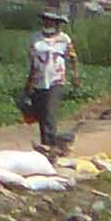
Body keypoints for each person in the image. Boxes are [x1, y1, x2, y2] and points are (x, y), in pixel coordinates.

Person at [21, 15, 76, 160]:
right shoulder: (35, 39)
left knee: (50, 115)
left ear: (57, 24)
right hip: (38, 81)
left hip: (56, 81)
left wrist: (75, 76)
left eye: (52, 22)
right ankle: (50, 145)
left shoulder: (64, 39)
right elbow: (33, 63)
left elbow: (72, 58)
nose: (48, 24)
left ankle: (49, 149)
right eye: (46, 21)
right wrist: (28, 84)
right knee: (41, 115)